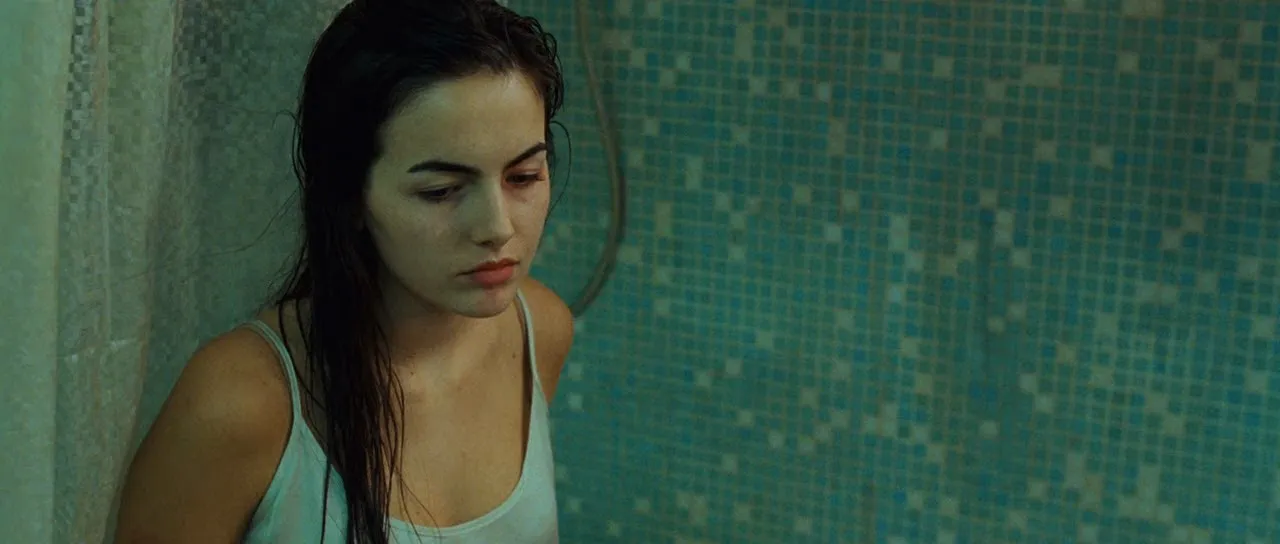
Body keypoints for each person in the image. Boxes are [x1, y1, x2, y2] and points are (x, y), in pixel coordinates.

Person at [114, 1, 574, 542]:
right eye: (441, 191)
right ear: (349, 196)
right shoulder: (242, 401)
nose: (496, 228)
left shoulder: (540, 329)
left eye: (524, 176)